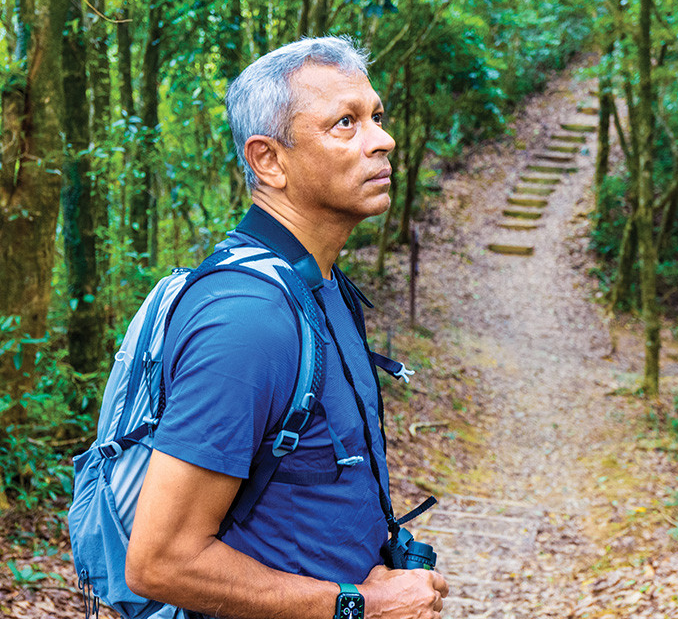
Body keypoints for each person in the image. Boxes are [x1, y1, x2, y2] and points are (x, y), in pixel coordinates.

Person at [124, 36, 449, 619]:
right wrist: (358, 604)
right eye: (345, 123)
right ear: (268, 160)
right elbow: (160, 561)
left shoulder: (318, 285)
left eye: (376, 116)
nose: (383, 140)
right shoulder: (248, 319)